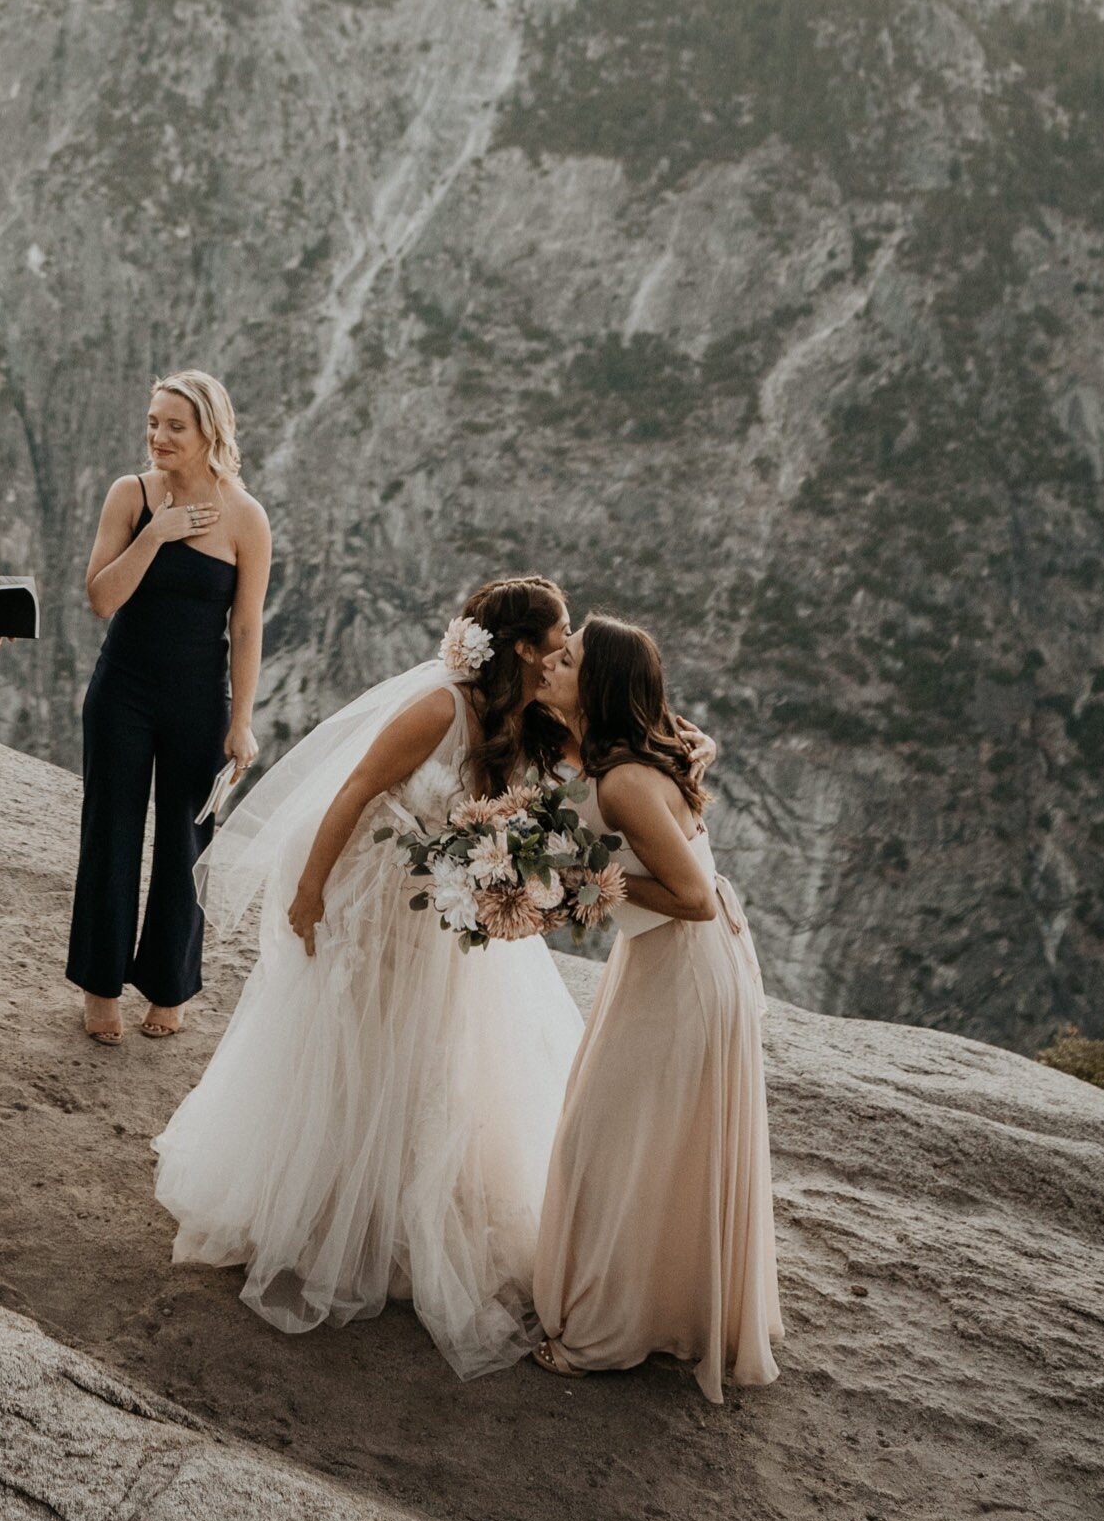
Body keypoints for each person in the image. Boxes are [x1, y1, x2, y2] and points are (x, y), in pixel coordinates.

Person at [152, 578, 585, 1376]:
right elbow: (354, 787)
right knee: (355, 1048)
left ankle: (393, 1215)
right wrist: (310, 890)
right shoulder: (440, 708)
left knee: (428, 1055)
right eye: (559, 631)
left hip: (443, 915)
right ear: (522, 645)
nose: (568, 641)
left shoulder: (536, 718)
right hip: (370, 899)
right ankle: (322, 1217)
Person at [530, 616, 781, 1400]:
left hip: (685, 972)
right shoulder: (612, 757)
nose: (550, 660)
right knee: (636, 1142)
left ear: (597, 683)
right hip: (662, 966)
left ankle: (607, 1334)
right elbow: (691, 746)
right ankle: (659, 1309)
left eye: (566, 658)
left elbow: (695, 899)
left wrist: (585, 882)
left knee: (608, 1145)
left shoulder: (623, 781)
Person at [65, 374, 269, 1044]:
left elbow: (245, 628)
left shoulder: (246, 516)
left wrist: (241, 721)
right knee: (111, 832)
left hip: (197, 698)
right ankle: (100, 985)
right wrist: (157, 533)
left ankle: (169, 985)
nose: (157, 436)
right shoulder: (132, 494)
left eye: (174, 425)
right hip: (121, 689)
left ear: (211, 430)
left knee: (187, 841)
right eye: (152, 422)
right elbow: (101, 598)